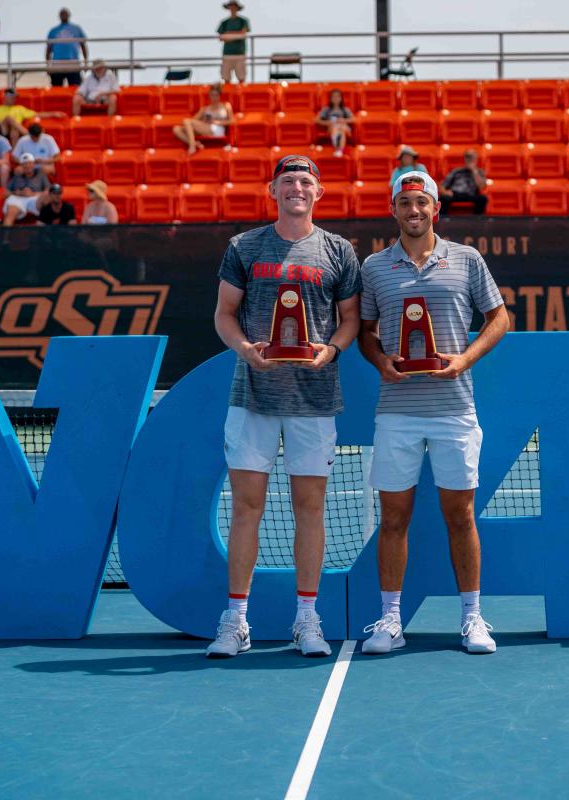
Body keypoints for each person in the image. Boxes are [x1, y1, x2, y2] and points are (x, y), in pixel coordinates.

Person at [206, 154, 362, 659]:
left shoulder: (339, 251)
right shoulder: (244, 246)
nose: (297, 187)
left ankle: (306, 619)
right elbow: (225, 315)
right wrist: (246, 350)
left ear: (319, 191)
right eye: (288, 180)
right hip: (252, 397)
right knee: (247, 507)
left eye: (305, 180)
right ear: (272, 190)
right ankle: (236, 621)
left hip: (314, 401)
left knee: (309, 508)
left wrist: (332, 350)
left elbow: (350, 320)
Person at [356, 171, 509, 655]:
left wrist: (464, 359)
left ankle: (473, 618)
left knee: (460, 515)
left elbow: (499, 317)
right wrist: (381, 361)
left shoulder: (467, 259)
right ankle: (389, 621)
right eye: (406, 203)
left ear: (435, 209)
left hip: (454, 408)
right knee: (394, 517)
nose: (414, 211)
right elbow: (364, 330)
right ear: (394, 210)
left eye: (422, 203)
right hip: (397, 410)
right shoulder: (375, 267)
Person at [172, 84, 233, 155]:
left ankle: (192, 146)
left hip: (218, 129)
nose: (214, 98)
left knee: (186, 121)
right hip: (206, 127)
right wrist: (203, 120)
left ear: (219, 96)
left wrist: (216, 122)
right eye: (212, 95)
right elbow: (191, 121)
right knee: (176, 129)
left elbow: (231, 121)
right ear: (209, 96)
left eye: (216, 95)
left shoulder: (226, 105)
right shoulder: (205, 109)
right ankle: (194, 143)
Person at [2, 153, 51, 226]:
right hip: (18, 198)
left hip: (35, 198)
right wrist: (17, 193)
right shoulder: (17, 177)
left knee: (47, 199)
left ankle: (50, 232)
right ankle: (5, 236)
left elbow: (49, 190)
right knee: (11, 213)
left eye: (30, 163)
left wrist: (33, 194)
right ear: (21, 166)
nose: (27, 166)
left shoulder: (41, 175)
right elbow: (5, 193)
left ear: (34, 164)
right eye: (25, 164)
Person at [46, 7, 88, 88]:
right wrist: (48, 65)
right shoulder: (53, 30)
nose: (63, 15)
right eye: (62, 14)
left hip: (73, 64)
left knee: (75, 89)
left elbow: (83, 46)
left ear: (69, 15)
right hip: (57, 65)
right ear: (59, 16)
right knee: (56, 90)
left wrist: (86, 62)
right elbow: (48, 50)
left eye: (65, 14)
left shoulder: (77, 29)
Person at [439, 149, 488, 215]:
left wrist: (474, 171)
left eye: (471, 157)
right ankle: (444, 220)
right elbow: (442, 185)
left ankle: (478, 220)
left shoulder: (479, 171)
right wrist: (445, 192)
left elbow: (481, 186)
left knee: (483, 199)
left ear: (476, 159)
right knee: (442, 198)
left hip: (471, 194)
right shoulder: (456, 171)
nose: (469, 159)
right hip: (455, 194)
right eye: (467, 157)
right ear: (464, 159)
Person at [217, 1, 251, 85]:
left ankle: (242, 96)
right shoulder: (224, 22)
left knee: (241, 77)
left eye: (234, 6)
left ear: (237, 8)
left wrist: (228, 35)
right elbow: (221, 38)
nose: (232, 8)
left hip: (240, 53)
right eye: (231, 6)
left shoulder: (243, 21)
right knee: (226, 78)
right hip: (227, 54)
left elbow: (242, 34)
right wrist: (236, 35)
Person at [316, 88, 353, 157]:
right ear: (330, 98)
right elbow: (317, 120)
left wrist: (343, 120)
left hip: (343, 127)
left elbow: (353, 119)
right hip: (332, 128)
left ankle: (338, 149)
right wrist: (328, 122)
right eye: (334, 97)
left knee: (341, 128)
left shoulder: (344, 109)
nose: (336, 98)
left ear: (341, 98)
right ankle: (339, 148)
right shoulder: (327, 109)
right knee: (336, 128)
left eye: (338, 96)